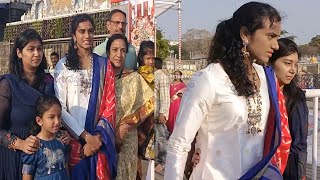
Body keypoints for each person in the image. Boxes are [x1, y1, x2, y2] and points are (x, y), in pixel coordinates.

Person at [164, 2, 284, 179]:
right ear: (245, 34)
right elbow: (179, 143)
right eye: (270, 36)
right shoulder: (209, 79)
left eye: (277, 37)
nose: (276, 46)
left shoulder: (266, 77)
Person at [54, 14, 117, 179]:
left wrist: (96, 139)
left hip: (98, 142)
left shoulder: (104, 65)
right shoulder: (64, 65)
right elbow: (60, 108)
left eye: (90, 31)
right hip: (74, 142)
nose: (87, 35)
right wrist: (85, 136)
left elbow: (110, 106)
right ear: (74, 36)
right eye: (82, 31)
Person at [0, 29, 55, 180]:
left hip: (43, 158)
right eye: (30, 49)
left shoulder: (48, 82)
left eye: (39, 49)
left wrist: (60, 133)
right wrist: (21, 144)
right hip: (14, 157)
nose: (36, 54)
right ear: (19, 53)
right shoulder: (8, 84)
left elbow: (53, 116)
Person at [106, 34, 154, 180]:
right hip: (104, 138)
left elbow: (149, 104)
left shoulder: (134, 78)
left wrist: (124, 128)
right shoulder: (100, 77)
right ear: (108, 52)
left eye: (122, 50)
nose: (118, 55)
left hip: (127, 140)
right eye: (115, 50)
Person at [269, 38, 308, 180]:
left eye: (295, 65)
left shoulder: (296, 97)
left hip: (289, 166)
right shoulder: (261, 93)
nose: (292, 70)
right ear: (271, 62)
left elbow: (300, 142)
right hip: (261, 163)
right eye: (287, 63)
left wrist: (301, 172)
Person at [21, 95, 69, 180]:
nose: (57, 122)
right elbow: (26, 175)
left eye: (59, 116)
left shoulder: (62, 140)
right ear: (39, 121)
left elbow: (66, 168)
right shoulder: (33, 146)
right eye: (51, 117)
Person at [154, 57, 170, 173]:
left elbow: (165, 96)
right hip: (152, 114)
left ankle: (162, 162)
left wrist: (162, 113)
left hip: (159, 114)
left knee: (161, 139)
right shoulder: (153, 75)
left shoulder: (162, 76)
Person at [167, 70, 186, 135]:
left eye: (177, 74)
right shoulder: (170, 84)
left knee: (176, 117)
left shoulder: (183, 85)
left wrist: (180, 95)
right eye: (175, 74)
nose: (176, 76)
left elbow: (185, 95)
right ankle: (170, 132)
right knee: (170, 117)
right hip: (171, 103)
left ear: (180, 76)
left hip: (178, 103)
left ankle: (176, 132)